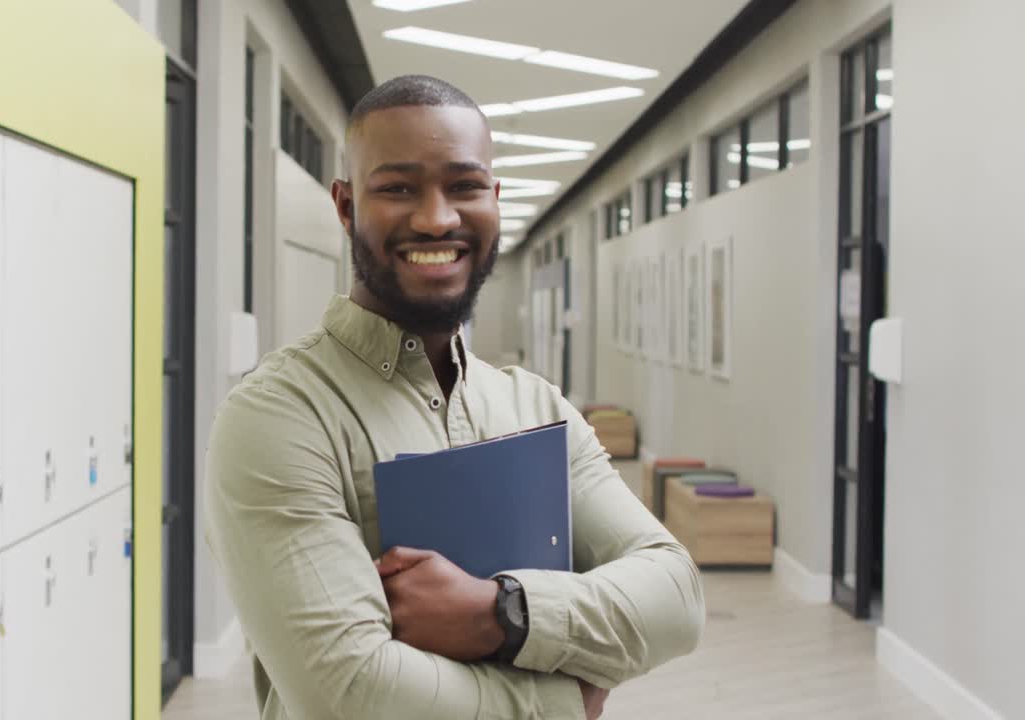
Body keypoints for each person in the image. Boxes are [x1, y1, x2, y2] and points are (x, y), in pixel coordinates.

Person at [205, 74, 705, 720]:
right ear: (346, 204)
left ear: (495, 200)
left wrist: (500, 614)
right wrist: (560, 703)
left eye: (465, 186)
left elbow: (676, 595)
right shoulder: (279, 417)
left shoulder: (539, 408)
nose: (436, 217)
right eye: (398, 187)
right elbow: (349, 691)